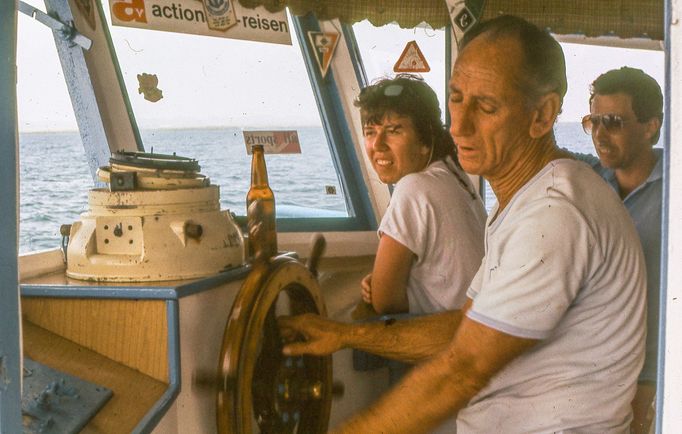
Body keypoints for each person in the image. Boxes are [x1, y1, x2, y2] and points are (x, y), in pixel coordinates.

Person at [280, 14, 646, 433]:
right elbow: (463, 328)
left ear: (542, 115)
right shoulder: (523, 202)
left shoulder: (556, 213)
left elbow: (462, 369)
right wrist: (345, 336)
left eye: (486, 106)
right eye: (456, 98)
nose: (459, 125)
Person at [355, 74, 486, 316]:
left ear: (425, 140)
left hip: (449, 338)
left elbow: (384, 302)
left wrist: (380, 287)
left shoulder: (414, 187)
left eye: (393, 131)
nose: (378, 145)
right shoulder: (453, 174)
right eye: (370, 132)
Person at [579, 66, 663, 433]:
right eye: (592, 121)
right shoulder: (588, 181)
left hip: (654, 374)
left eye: (612, 121)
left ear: (651, 126)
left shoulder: (675, 189)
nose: (599, 134)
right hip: (594, 373)